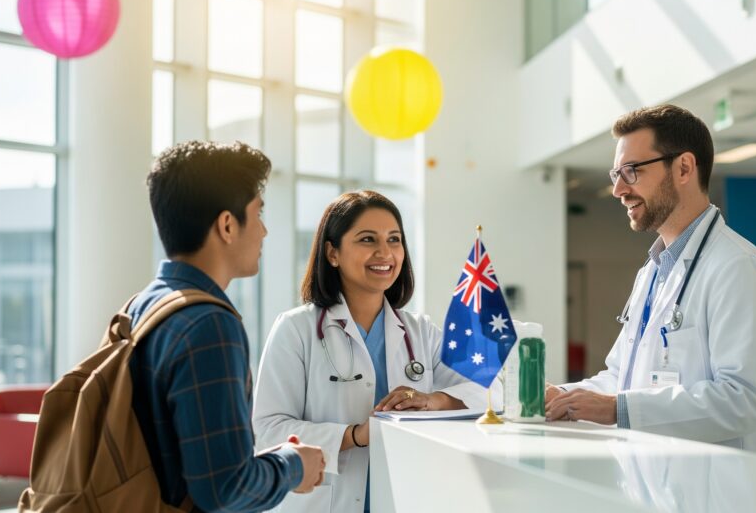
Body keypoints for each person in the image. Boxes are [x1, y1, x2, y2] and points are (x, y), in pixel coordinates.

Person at [544, 104, 756, 456]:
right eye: (616, 174)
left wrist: (617, 409)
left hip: (726, 485)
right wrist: (561, 396)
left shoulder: (737, 268)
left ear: (684, 167)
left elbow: (744, 400)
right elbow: (622, 378)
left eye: (631, 171)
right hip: (658, 478)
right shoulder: (653, 272)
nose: (618, 190)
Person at [253, 190, 497, 513]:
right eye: (368, 239)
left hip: (403, 500)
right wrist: (354, 436)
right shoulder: (296, 329)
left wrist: (432, 400)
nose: (385, 252)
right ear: (333, 253)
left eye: (394, 239)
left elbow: (491, 389)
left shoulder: (419, 331)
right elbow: (268, 430)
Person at [129, 141, 326, 511]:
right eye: (258, 213)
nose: (264, 231)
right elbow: (224, 489)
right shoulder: (210, 326)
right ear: (227, 225)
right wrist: (294, 466)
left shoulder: (144, 305)